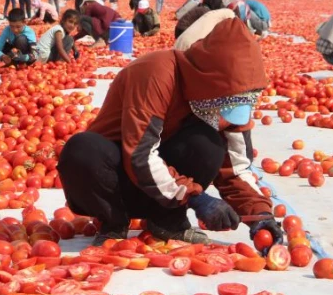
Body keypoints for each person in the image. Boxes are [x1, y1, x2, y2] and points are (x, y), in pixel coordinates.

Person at [57, 18, 283, 248]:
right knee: (82, 149)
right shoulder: (156, 72)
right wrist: (196, 198)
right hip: (114, 179)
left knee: (209, 144)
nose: (226, 114)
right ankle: (113, 222)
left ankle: (167, 222)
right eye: (223, 103)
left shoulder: (235, 96)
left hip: (164, 187)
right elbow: (139, 155)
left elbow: (236, 167)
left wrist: (260, 214)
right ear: (208, 83)